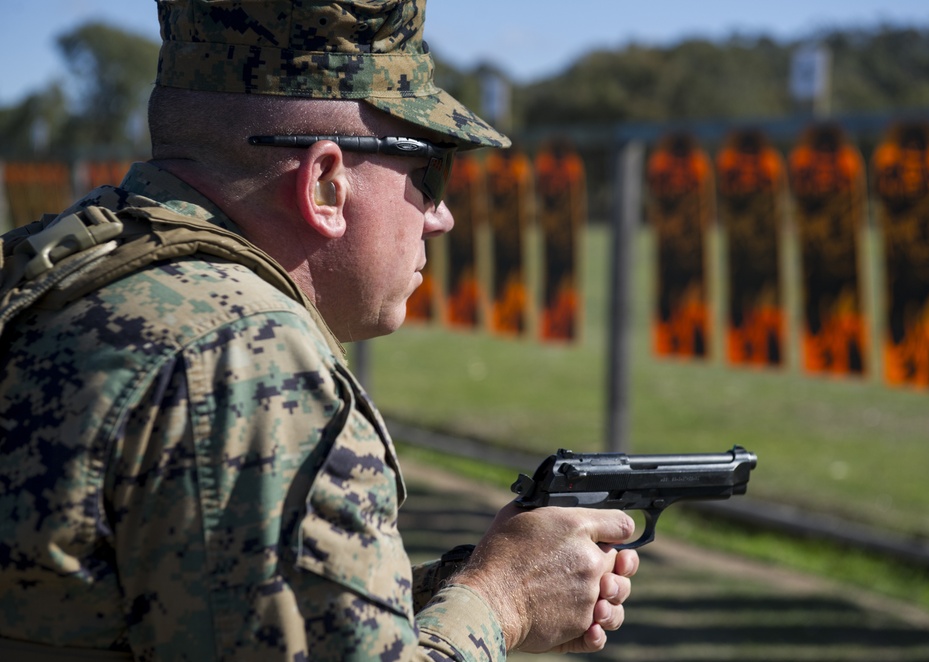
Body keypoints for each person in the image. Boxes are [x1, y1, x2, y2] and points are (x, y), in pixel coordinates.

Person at [0, 1, 640, 660]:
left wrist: (450, 587)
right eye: (430, 172)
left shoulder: (69, 267)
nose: (440, 215)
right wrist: (503, 600)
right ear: (326, 185)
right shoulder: (250, 361)